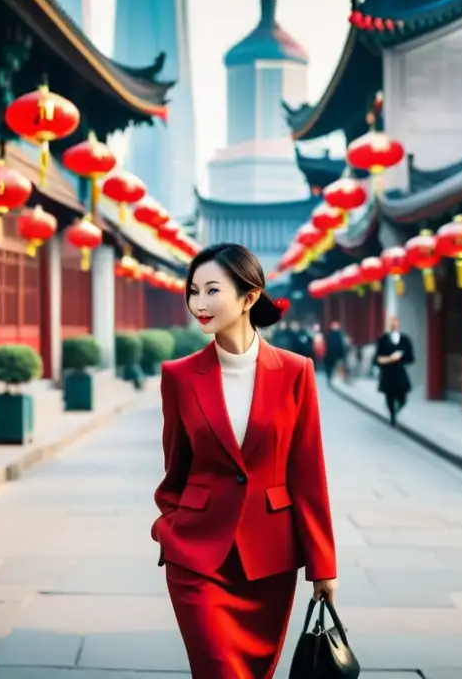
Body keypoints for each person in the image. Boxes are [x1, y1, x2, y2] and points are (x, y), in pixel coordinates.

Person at [151, 242, 337, 678]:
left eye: (211, 290)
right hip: (196, 558)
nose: (199, 303)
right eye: (193, 291)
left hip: (268, 560)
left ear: (249, 296)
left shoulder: (295, 371)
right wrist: (170, 528)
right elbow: (174, 469)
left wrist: (323, 564)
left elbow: (308, 475)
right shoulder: (178, 376)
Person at [375, 315, 416, 425]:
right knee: (390, 395)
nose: (394, 325)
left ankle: (397, 409)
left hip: (400, 371)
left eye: (396, 323)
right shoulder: (383, 339)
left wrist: (401, 357)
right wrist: (390, 358)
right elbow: (377, 358)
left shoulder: (405, 339)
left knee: (403, 396)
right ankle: (392, 416)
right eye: (392, 323)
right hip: (387, 372)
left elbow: (411, 357)